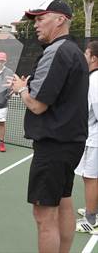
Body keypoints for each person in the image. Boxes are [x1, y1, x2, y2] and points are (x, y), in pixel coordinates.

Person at [10, 0, 89, 252]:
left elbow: (37, 105)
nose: (36, 24)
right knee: (63, 202)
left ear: (60, 20)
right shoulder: (75, 51)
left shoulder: (56, 51)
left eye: (41, 18)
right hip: (71, 144)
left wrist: (22, 89)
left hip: (53, 146)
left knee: (44, 217)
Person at [74, 40, 98, 234]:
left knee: (90, 177)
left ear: (93, 59)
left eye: (86, 53)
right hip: (91, 137)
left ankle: (90, 220)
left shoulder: (95, 80)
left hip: (94, 139)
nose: (84, 56)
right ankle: (94, 211)